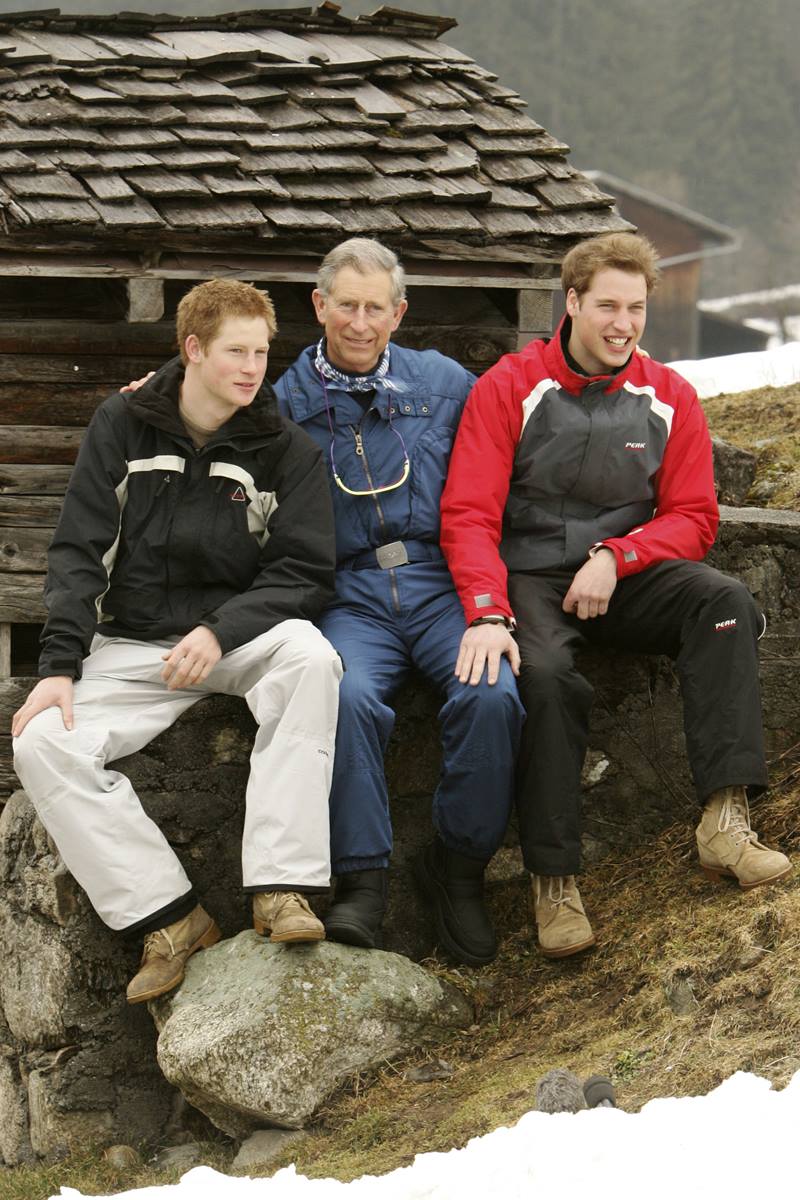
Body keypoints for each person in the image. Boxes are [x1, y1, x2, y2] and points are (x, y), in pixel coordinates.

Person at [440, 232, 791, 959]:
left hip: (624, 574)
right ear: (570, 302)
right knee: (542, 678)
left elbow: (694, 518)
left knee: (723, 601)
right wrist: (485, 607)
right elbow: (469, 516)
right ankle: (554, 880)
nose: (622, 323)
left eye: (635, 308)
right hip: (529, 577)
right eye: (606, 305)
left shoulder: (668, 396)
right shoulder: (509, 386)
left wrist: (618, 554)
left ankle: (725, 821)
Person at [12, 280, 342, 1004]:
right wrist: (59, 666)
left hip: (235, 637)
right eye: (235, 351)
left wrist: (221, 631)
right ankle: (169, 918)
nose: (253, 368)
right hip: (131, 646)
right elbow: (79, 551)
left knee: (312, 658)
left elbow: (304, 572)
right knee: (40, 743)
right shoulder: (122, 424)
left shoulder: (286, 449)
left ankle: (282, 888)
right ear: (193, 350)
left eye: (261, 352)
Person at [273, 238, 525, 966]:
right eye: (344, 305)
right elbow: (204, 384)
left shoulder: (445, 383)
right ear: (319, 305)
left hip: (439, 581)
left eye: (374, 307)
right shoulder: (282, 400)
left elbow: (520, 418)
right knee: (343, 696)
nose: (359, 322)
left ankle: (458, 869)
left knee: (493, 692)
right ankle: (362, 880)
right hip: (346, 593)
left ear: (399, 311)